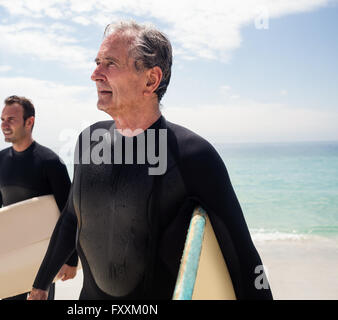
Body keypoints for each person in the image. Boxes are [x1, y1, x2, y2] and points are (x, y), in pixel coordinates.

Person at [28, 21, 272, 300]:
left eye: (110, 63)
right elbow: (73, 217)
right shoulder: (89, 140)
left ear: (150, 80)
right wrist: (40, 285)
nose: (95, 74)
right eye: (97, 62)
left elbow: (242, 258)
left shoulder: (192, 156)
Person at [0, 95, 78, 300]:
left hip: (42, 257)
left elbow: (70, 213)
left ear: (30, 122)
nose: (4, 125)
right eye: (2, 119)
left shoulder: (50, 162)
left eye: (11, 119)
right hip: (10, 254)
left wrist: (72, 259)